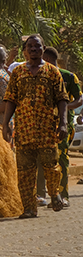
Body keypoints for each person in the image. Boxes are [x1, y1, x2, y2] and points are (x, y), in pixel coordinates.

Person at [2, 34, 69, 219]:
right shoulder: (18, 73)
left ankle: (54, 194)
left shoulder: (52, 72)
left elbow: (62, 99)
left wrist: (63, 123)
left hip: (47, 129)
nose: (33, 49)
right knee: (24, 172)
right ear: (25, 50)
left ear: (43, 48)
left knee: (51, 166)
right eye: (30, 46)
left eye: (37, 46)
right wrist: (6, 124)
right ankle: (29, 208)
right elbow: (10, 99)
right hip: (23, 130)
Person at [34, 47, 83, 208]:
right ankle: (41, 195)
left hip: (63, 125)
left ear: (47, 59)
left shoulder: (68, 77)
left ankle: (63, 195)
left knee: (61, 158)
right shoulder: (40, 75)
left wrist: (65, 108)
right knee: (42, 158)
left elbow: (80, 98)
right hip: (43, 124)